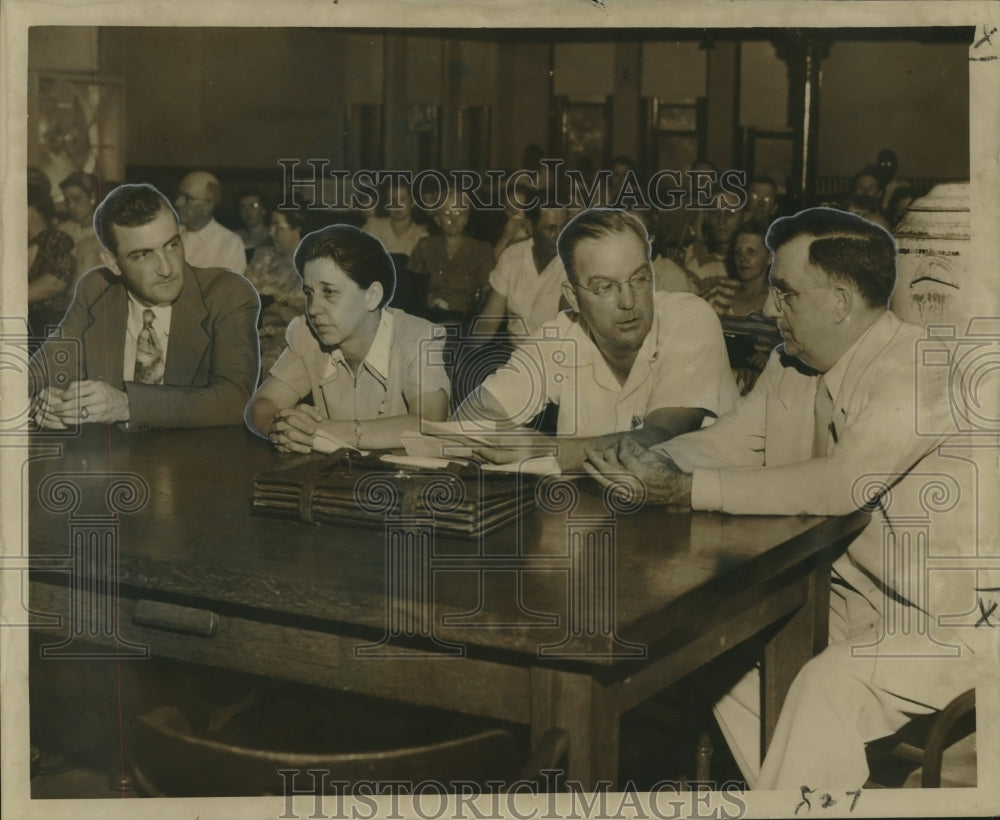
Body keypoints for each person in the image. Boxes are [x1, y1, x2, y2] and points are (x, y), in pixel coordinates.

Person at [584, 207, 994, 789]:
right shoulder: (794, 362)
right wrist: (647, 462)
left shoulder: (920, 369)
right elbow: (736, 439)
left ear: (841, 301)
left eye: (786, 293)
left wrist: (686, 489)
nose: (772, 309)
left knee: (828, 686)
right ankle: (814, 798)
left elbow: (842, 483)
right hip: (857, 606)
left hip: (959, 626)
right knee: (715, 653)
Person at [456, 208, 739, 470]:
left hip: (716, 515)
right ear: (573, 298)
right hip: (602, 513)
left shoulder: (690, 317)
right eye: (604, 287)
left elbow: (662, 439)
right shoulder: (562, 335)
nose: (629, 302)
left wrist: (549, 451)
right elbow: (471, 419)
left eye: (639, 280)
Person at [30, 183, 260, 430]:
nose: (167, 268)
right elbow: (36, 374)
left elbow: (237, 400)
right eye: (143, 255)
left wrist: (128, 405)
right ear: (113, 263)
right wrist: (41, 401)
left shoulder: (226, 293)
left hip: (195, 460)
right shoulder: (96, 289)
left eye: (172, 245)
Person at [244, 223, 451, 452]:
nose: (313, 308)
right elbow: (260, 405)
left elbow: (430, 424)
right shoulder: (308, 335)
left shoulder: (417, 337)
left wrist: (323, 432)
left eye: (329, 292)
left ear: (372, 296)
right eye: (309, 293)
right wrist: (284, 429)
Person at [473, 204, 571, 340]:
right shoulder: (512, 256)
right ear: (530, 227)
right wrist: (466, 356)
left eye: (564, 226)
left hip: (552, 355)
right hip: (514, 353)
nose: (560, 235)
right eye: (551, 228)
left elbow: (567, 330)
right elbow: (488, 322)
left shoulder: (574, 264)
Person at [407, 190, 495, 325]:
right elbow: (410, 287)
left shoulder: (482, 250)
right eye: (447, 213)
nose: (453, 219)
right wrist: (431, 300)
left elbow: (488, 294)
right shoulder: (424, 247)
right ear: (437, 219)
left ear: (467, 218)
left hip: (466, 322)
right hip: (427, 318)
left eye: (459, 213)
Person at [245, 207, 309, 374]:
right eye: (270, 226)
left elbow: (301, 309)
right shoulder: (263, 256)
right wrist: (281, 302)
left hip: (289, 336)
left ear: (297, 229)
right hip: (255, 329)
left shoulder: (310, 265)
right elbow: (246, 296)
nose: (271, 233)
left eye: (278, 227)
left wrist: (281, 301)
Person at [175, 171, 247, 275]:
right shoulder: (169, 234)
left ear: (208, 206)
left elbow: (228, 289)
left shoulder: (229, 244)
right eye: (178, 196)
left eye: (188, 198)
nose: (178, 203)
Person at [27, 185, 75, 337]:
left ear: (31, 211)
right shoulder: (17, 245)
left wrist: (10, 298)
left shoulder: (56, 239)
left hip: (47, 322)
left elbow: (57, 281)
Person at [56, 171, 104, 283]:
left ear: (92, 197)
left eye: (77, 199)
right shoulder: (63, 230)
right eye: (67, 201)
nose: (71, 206)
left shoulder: (106, 230)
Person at [362, 178, 428, 258]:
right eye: (392, 200)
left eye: (402, 199)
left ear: (412, 203)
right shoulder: (373, 227)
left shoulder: (421, 237)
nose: (397, 205)